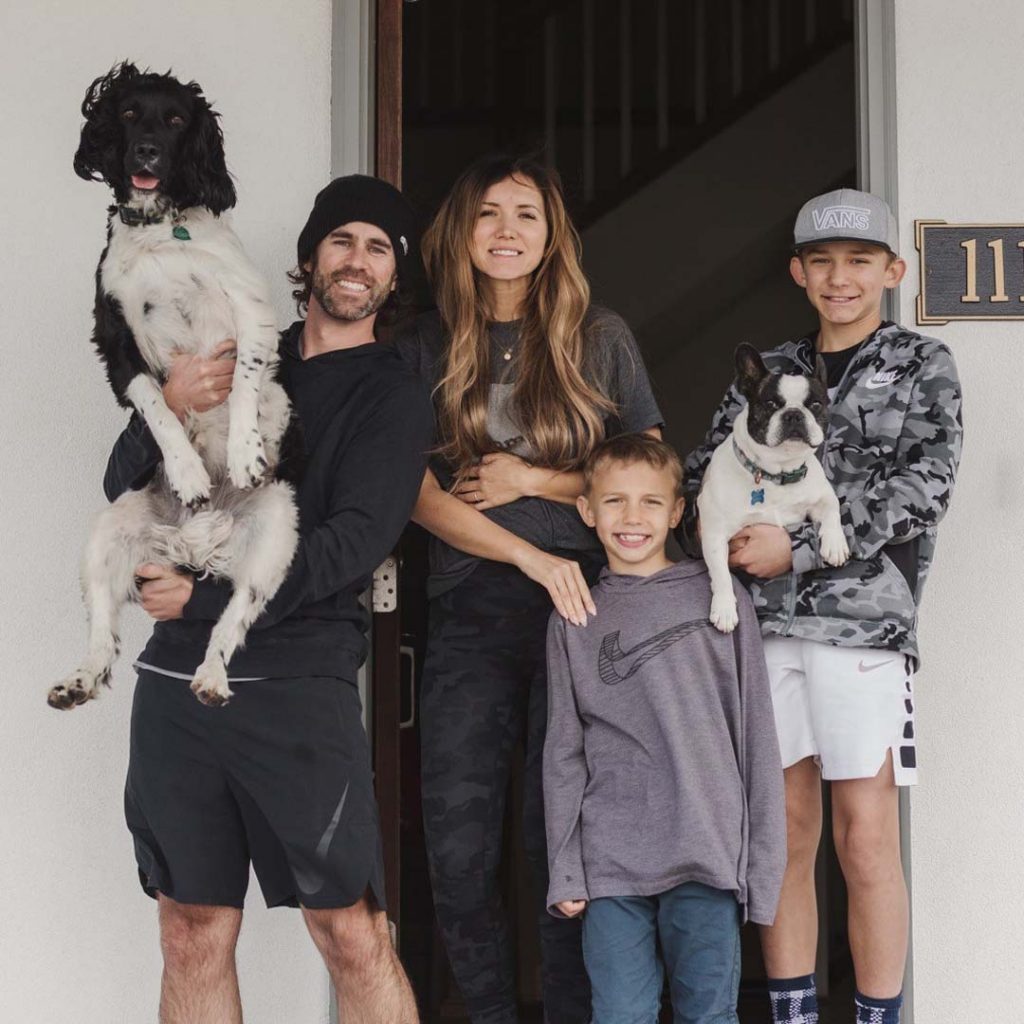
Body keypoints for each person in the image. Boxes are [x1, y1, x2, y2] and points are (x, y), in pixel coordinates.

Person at [103, 174, 432, 1024]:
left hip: (298, 688)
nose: (357, 261)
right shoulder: (238, 349)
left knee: (351, 932)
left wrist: (202, 601)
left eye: (378, 248)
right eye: (341, 241)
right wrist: (167, 403)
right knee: (191, 928)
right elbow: (120, 481)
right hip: (178, 687)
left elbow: (349, 547)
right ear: (309, 256)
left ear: (396, 276)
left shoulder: (393, 395)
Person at [681, 188, 963, 1024]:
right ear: (799, 272)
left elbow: (927, 485)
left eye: (861, 260)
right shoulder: (765, 372)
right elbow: (704, 475)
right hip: (763, 628)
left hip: (861, 629)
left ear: (892, 270)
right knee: (786, 835)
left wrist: (796, 547)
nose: (842, 278)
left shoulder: (920, 364)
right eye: (825, 261)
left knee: (865, 836)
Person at [395, 154, 663, 1024]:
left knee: (566, 843)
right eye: (489, 215)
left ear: (553, 238)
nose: (507, 232)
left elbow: (651, 478)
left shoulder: (600, 336)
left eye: (527, 216)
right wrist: (527, 557)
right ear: (460, 232)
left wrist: (535, 483)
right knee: (459, 846)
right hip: (471, 613)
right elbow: (416, 493)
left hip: (583, 616)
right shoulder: (423, 344)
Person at [544, 433, 786, 1024]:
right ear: (586, 511)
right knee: (620, 1015)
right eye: (615, 501)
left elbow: (755, 736)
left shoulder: (720, 601)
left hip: (706, 851)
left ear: (678, 511)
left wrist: (762, 866)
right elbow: (562, 752)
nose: (632, 518)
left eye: (651, 502)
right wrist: (565, 865)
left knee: (708, 1015)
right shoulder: (574, 615)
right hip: (611, 864)